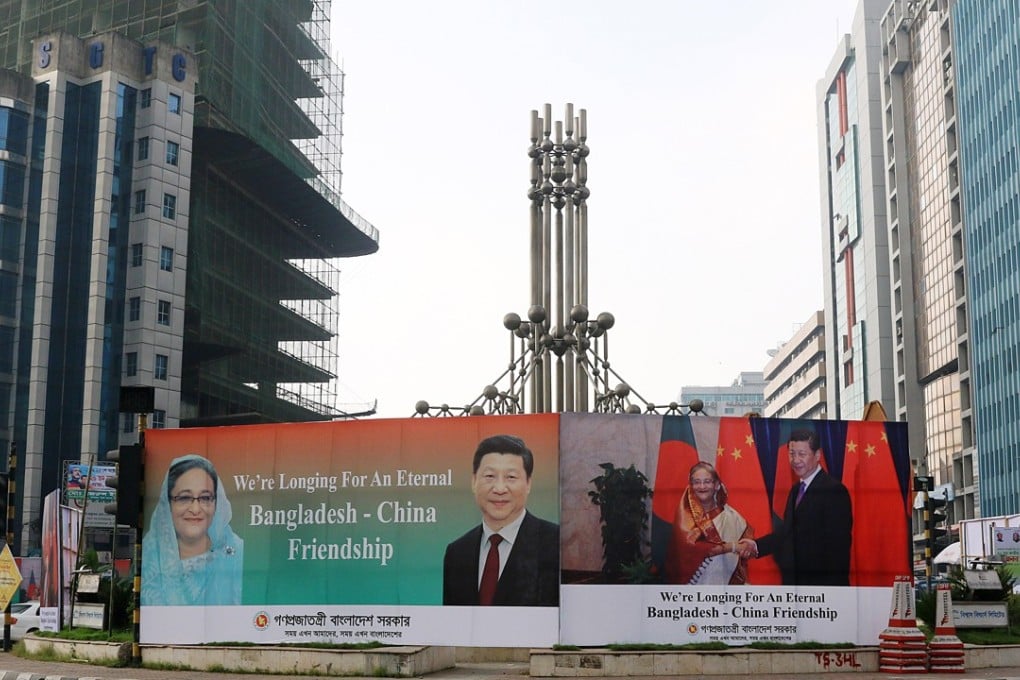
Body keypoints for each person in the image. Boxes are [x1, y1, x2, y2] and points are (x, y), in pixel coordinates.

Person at [443, 434, 559, 606]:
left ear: (528, 484)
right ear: (474, 481)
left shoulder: (556, 544)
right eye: (489, 476)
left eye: (511, 477)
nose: (499, 489)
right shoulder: (457, 552)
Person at [748, 428, 852, 586]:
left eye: (802, 454)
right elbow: (787, 532)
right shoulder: (796, 489)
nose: (795, 460)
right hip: (796, 586)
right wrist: (755, 546)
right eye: (791, 453)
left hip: (821, 590)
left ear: (817, 455)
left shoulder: (833, 491)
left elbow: (837, 549)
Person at [142, 454, 243, 605]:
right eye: (184, 498)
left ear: (216, 503)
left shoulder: (238, 553)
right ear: (167, 504)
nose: (196, 509)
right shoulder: (150, 555)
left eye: (205, 498)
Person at [664, 462, 754, 585]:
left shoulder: (731, 516)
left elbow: (748, 549)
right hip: (693, 588)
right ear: (691, 486)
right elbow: (689, 550)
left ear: (716, 485)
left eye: (707, 481)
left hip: (727, 586)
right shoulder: (684, 518)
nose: (702, 486)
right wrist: (732, 546)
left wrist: (745, 548)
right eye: (696, 482)